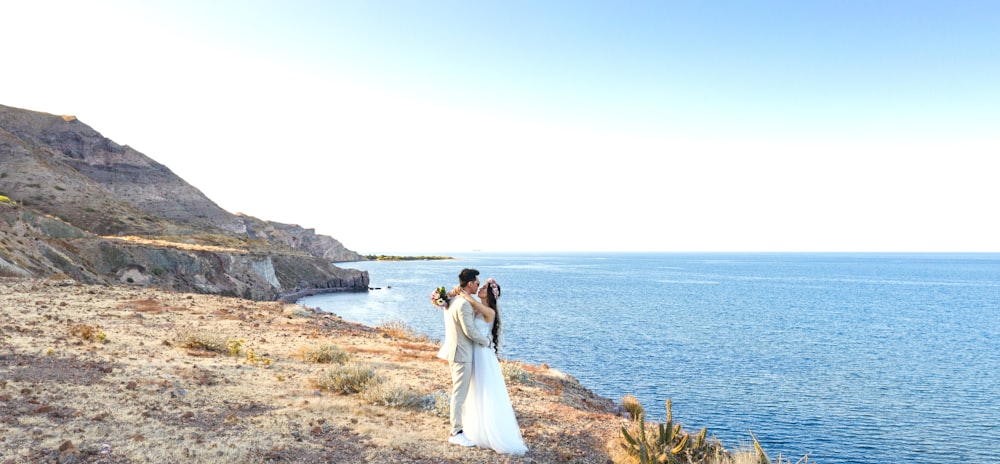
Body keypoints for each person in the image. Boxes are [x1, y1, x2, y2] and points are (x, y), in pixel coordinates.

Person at [458, 277, 528, 455]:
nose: (479, 289)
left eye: (483, 288)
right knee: (475, 390)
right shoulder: (478, 308)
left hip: (483, 355)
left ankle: (493, 433)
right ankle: (476, 430)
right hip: (474, 352)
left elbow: (471, 300)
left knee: (486, 391)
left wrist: (462, 292)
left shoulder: (489, 311)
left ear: (489, 294)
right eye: (479, 286)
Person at [440, 268, 491, 447]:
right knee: (459, 394)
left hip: (456, 352)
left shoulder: (453, 299)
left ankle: (459, 428)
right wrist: (486, 341)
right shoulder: (463, 304)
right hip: (461, 354)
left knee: (459, 392)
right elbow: (469, 331)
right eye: (477, 283)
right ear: (470, 284)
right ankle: (456, 432)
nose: (478, 285)